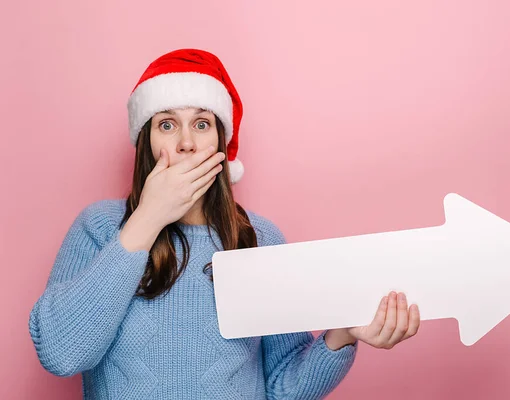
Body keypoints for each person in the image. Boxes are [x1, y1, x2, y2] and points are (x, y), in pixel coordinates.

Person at [28, 48, 420, 399]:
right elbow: (62, 353)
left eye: (201, 124)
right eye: (167, 124)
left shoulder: (259, 238)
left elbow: (283, 386)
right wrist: (148, 218)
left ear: (220, 141)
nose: (186, 143)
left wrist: (343, 334)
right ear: (146, 140)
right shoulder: (99, 228)